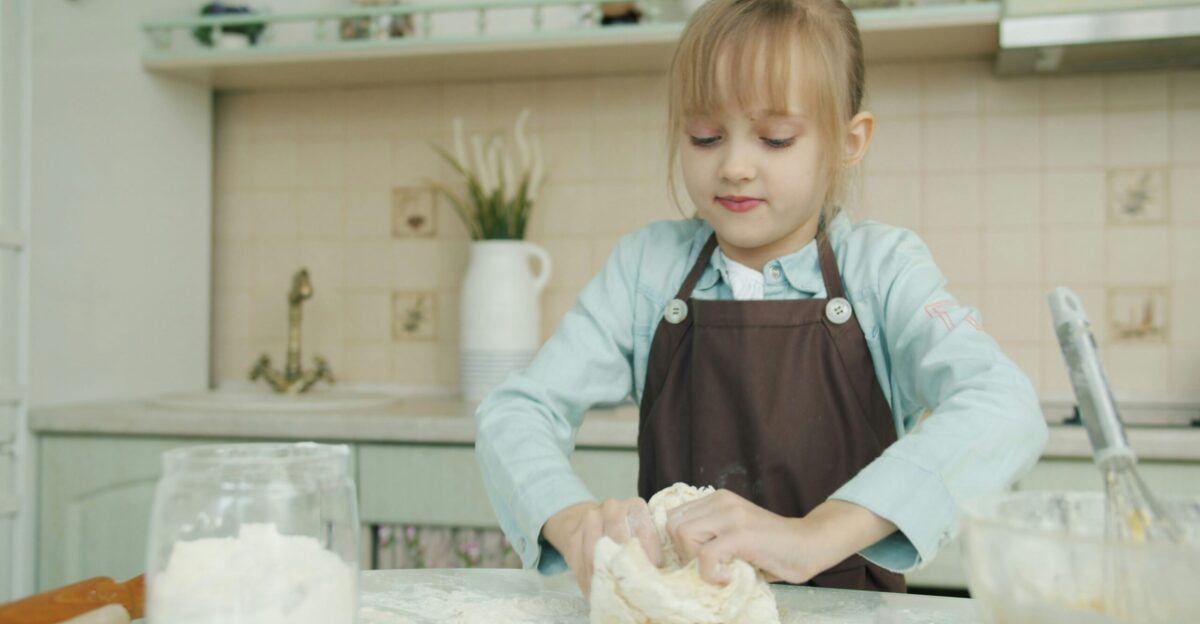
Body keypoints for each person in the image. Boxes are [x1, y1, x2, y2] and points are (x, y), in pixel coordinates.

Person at [475, 0, 1047, 596]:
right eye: (705, 136)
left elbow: (1003, 405)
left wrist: (813, 536)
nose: (734, 166)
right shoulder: (648, 270)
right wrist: (570, 522)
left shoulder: (884, 272)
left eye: (774, 139)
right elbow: (515, 413)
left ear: (850, 141)